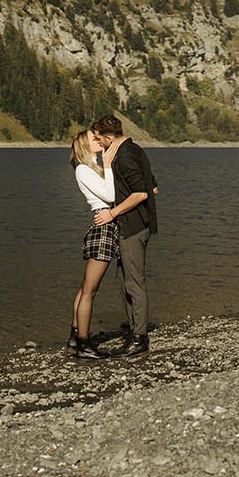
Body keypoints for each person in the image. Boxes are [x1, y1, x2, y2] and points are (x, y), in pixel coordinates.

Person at [91, 113, 158, 357]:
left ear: (109, 138)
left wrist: (113, 212)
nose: (98, 144)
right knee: (124, 281)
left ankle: (140, 338)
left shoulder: (126, 156)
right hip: (137, 224)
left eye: (99, 139)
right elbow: (154, 187)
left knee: (133, 282)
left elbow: (142, 193)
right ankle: (134, 328)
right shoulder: (135, 150)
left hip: (134, 226)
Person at [68, 126, 122, 359]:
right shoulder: (82, 169)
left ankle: (74, 338)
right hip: (104, 227)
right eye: (94, 138)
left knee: (85, 288)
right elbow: (109, 196)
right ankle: (83, 343)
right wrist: (109, 165)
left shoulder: (92, 168)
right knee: (90, 290)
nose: (99, 139)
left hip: (105, 224)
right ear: (84, 144)